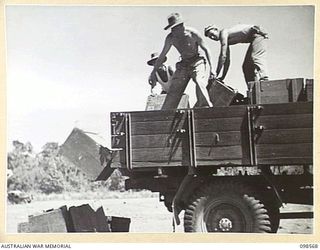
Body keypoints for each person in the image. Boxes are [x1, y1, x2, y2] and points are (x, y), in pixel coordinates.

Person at [149, 13, 214, 110]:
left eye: (174, 28)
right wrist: (153, 73)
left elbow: (206, 49)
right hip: (183, 64)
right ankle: (166, 114)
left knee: (199, 81)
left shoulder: (193, 33)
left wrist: (212, 68)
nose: (172, 31)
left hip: (197, 61)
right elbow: (162, 56)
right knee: (174, 90)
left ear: (181, 26)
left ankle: (206, 108)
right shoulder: (171, 38)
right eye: (171, 28)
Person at [204, 24, 269, 87]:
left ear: (216, 30)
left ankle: (264, 79)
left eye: (212, 34)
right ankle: (253, 88)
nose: (212, 37)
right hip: (254, 38)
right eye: (210, 37)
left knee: (256, 57)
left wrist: (216, 73)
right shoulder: (226, 41)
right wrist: (222, 77)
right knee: (246, 66)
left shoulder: (223, 32)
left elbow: (222, 56)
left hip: (258, 33)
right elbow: (227, 61)